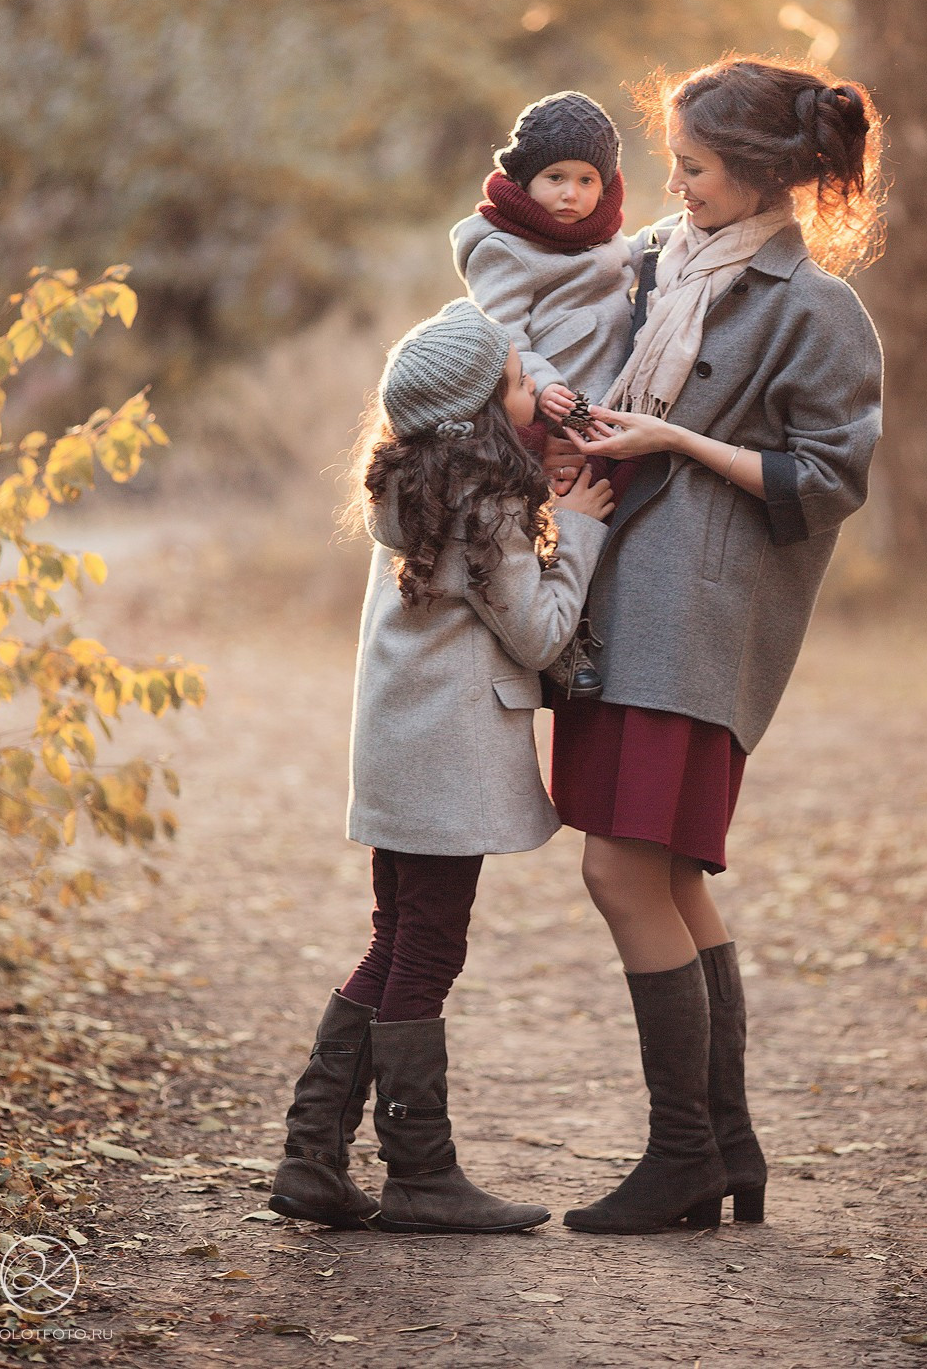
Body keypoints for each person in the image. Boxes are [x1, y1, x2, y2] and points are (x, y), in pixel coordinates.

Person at [548, 56, 886, 1235]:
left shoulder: (815, 307)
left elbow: (829, 479)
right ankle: (727, 1147)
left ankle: (684, 1154)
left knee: (619, 870)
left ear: (756, 176)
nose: (675, 182)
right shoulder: (655, 266)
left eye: (693, 165)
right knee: (671, 874)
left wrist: (677, 444)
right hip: (617, 598)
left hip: (696, 616)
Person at [268, 297, 613, 1235]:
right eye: (515, 380)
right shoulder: (489, 510)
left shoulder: (410, 490)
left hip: (398, 756)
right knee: (427, 949)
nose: (531, 386)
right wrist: (576, 527)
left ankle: (312, 1157)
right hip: (448, 761)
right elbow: (540, 633)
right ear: (476, 415)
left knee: (395, 939)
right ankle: (420, 1171)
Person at [452, 89, 642, 694]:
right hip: (545, 412)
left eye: (587, 179)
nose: (571, 195)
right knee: (554, 521)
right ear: (522, 179)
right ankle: (560, 647)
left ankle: (599, 630)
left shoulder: (612, 243)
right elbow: (501, 337)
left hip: (610, 414)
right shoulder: (505, 250)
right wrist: (548, 389)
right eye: (554, 177)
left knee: (605, 522)